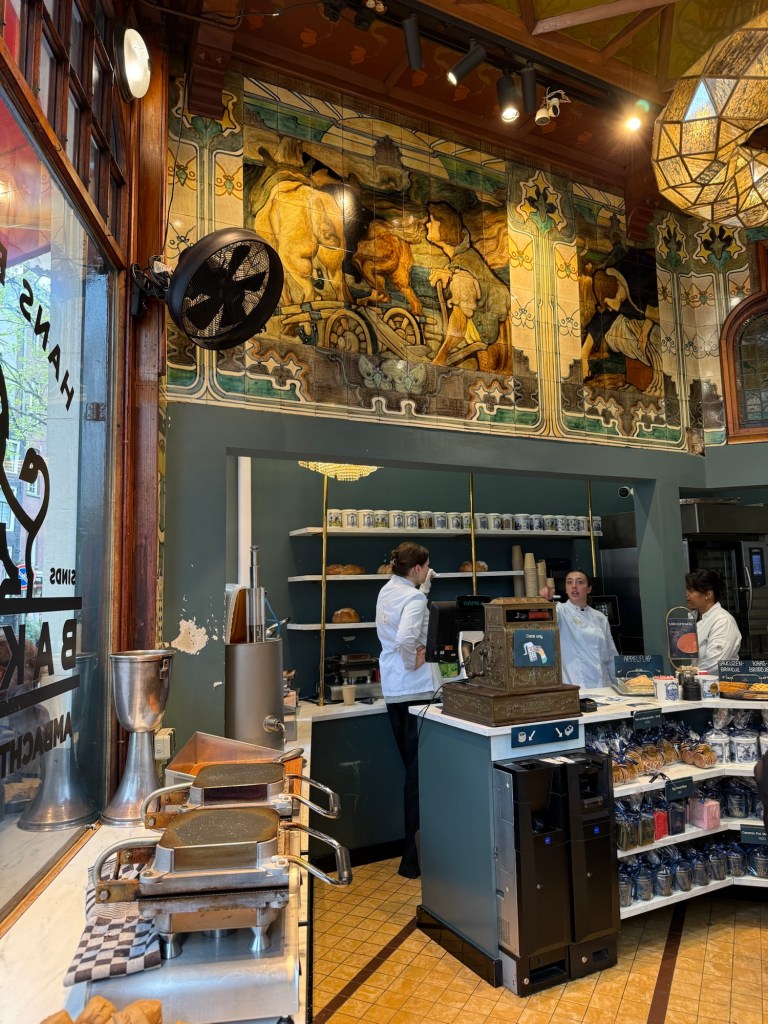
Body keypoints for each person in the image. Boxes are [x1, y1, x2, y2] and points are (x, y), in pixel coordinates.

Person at [375, 541, 436, 878]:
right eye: (425, 567)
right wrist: (416, 660)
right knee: (420, 778)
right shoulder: (414, 598)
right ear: (415, 569)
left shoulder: (388, 590)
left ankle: (413, 855)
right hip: (416, 691)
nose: (426, 572)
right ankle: (413, 860)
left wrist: (425, 585)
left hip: (394, 691)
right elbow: (404, 638)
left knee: (412, 775)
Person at [540, 570, 618, 688]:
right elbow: (544, 617)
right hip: (578, 688)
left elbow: (610, 656)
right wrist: (545, 600)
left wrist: (619, 684)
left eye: (580, 582)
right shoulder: (560, 611)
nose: (574, 586)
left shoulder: (600, 617)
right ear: (566, 589)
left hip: (605, 687)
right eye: (569, 582)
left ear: (589, 589)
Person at [685, 569, 742, 672]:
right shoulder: (690, 617)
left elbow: (715, 664)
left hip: (716, 684)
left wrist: (689, 675)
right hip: (692, 682)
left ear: (708, 594)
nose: (686, 594)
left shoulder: (723, 620)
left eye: (691, 590)